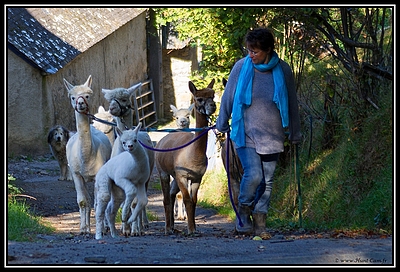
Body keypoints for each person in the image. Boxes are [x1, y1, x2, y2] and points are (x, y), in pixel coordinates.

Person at [216, 27, 302, 236]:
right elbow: (229, 96)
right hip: (245, 132)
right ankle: (244, 211)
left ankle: (261, 220)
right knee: (253, 175)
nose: (251, 55)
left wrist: (295, 131)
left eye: (255, 51)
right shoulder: (240, 67)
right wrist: (221, 121)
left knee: (268, 181)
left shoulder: (283, 70)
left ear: (269, 49)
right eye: (249, 50)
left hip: (273, 135)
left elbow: (291, 102)